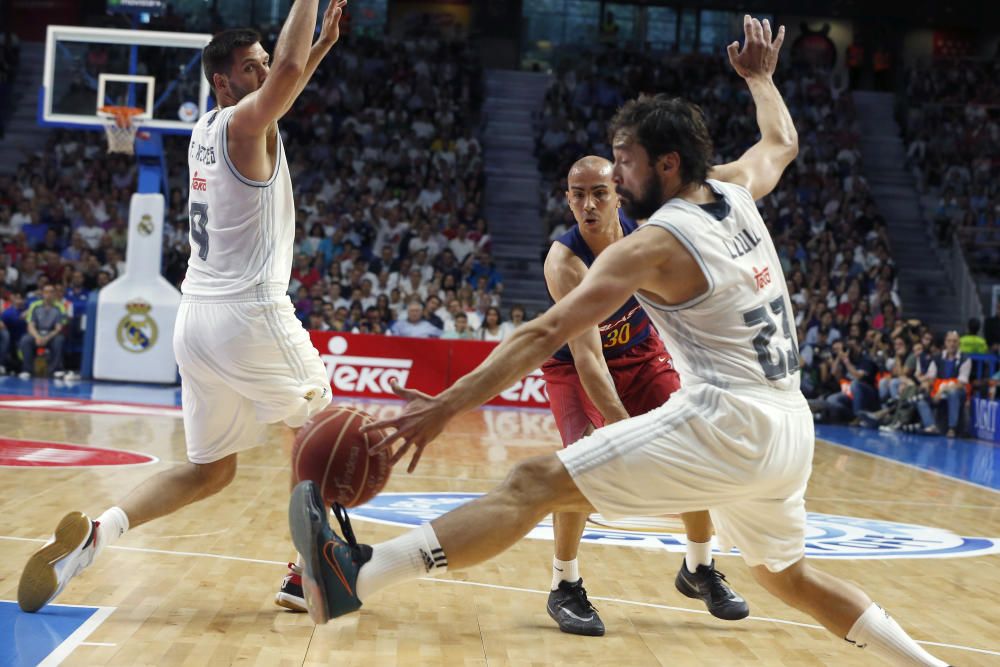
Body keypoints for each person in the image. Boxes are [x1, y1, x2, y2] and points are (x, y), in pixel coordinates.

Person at [289, 17, 948, 666]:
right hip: (789, 425)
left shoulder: (657, 244)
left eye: (625, 165)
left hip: (731, 419)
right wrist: (761, 79)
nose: (618, 178)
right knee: (787, 577)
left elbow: (545, 331)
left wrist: (445, 404)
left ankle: (361, 573)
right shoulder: (735, 188)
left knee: (530, 480)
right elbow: (780, 140)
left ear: (667, 163)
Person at [18, 0, 349, 615]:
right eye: (253, 68)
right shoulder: (244, 125)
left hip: (196, 322)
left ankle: (97, 534)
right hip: (248, 313)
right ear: (223, 81)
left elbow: (288, 77)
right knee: (319, 433)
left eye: (265, 64)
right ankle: (309, 571)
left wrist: (321, 46)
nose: (267, 72)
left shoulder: (206, 128)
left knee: (209, 471)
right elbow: (285, 80)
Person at [538, 155, 746, 637]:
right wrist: (624, 426)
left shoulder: (648, 232)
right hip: (575, 366)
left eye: (600, 193)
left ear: (618, 194)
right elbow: (589, 357)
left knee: (695, 446)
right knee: (582, 462)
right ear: (567, 200)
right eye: (578, 195)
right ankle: (563, 584)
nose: (588, 204)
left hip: (641, 353)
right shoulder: (564, 263)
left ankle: (698, 567)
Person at [17, 284, 68, 379]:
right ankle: (27, 370)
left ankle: (55, 370)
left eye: (51, 292)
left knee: (59, 340)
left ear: (55, 294)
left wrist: (46, 338)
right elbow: (30, 325)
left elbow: (58, 328)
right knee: (25, 340)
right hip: (36, 333)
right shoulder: (34, 305)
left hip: (51, 334)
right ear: (42, 294)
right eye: (46, 292)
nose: (49, 294)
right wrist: (37, 337)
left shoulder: (60, 307)